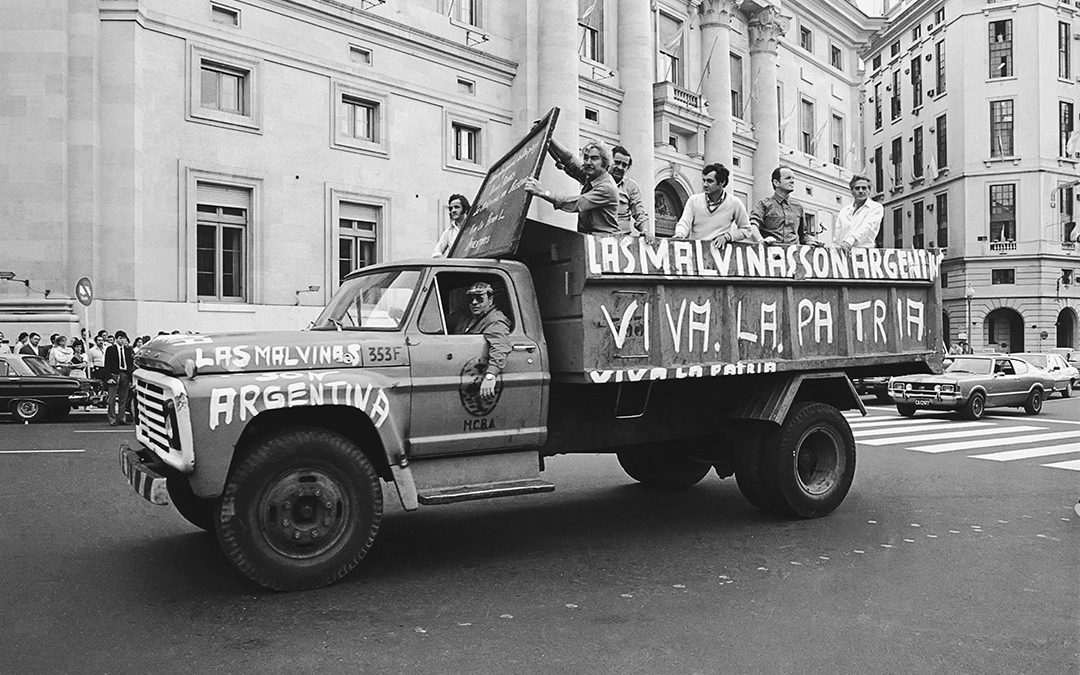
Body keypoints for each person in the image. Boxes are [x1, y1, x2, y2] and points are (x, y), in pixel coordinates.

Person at [524, 139, 619, 234]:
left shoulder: (607, 188)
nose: (588, 162)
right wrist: (548, 138)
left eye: (594, 158)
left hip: (604, 240)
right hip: (589, 237)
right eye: (586, 158)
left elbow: (575, 203)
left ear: (605, 164)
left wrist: (543, 192)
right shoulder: (592, 175)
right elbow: (569, 159)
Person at [451, 282, 512, 399]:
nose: (474, 302)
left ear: (490, 300)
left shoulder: (495, 320)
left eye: (479, 298)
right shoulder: (465, 316)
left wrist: (490, 375)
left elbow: (500, 346)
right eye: (471, 299)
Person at [674, 163, 758, 246]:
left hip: (721, 254)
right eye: (704, 180)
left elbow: (747, 230)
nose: (705, 185)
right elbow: (684, 223)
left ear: (722, 182)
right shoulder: (693, 200)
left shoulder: (734, 202)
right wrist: (680, 234)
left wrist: (727, 236)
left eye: (710, 181)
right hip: (697, 253)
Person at [750, 166, 820, 246]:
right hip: (771, 253)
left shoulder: (798, 207)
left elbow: (802, 234)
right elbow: (753, 225)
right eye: (788, 178)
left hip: (794, 254)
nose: (792, 181)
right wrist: (761, 240)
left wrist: (811, 241)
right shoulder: (763, 204)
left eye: (793, 178)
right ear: (776, 182)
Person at [833, 174, 884, 250]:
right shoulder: (844, 211)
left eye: (864, 188)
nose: (860, 191)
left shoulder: (876, 208)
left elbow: (867, 228)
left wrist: (849, 242)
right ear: (852, 191)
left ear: (869, 190)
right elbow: (837, 236)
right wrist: (834, 250)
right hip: (844, 253)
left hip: (864, 253)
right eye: (857, 188)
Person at [609, 145, 649, 236]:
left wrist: (645, 231)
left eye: (624, 165)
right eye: (617, 162)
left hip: (622, 239)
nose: (620, 167)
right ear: (608, 162)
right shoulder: (597, 180)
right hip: (598, 237)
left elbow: (640, 213)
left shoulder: (631, 186)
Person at [103, 330, 135, 425]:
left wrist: (131, 379)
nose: (122, 340)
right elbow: (107, 364)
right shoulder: (111, 349)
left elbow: (130, 364)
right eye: (120, 338)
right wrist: (108, 377)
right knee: (112, 399)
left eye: (123, 338)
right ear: (116, 339)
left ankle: (122, 418)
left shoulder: (128, 350)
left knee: (123, 398)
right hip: (114, 374)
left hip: (125, 374)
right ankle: (112, 419)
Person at [432, 193, 471, 258]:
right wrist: (445, 262)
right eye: (451, 208)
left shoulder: (473, 227)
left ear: (465, 209)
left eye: (456, 207)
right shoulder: (449, 232)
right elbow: (436, 252)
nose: (453, 210)